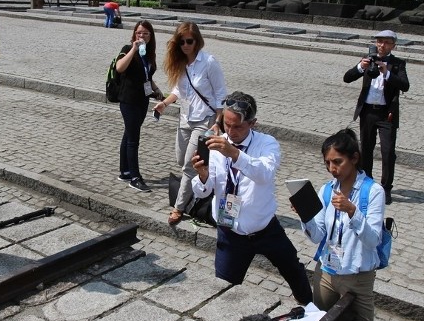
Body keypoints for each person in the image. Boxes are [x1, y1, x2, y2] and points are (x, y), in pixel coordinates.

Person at [191, 92, 313, 305]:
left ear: (252, 123)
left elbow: (264, 173)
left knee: (294, 269)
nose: (230, 131)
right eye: (226, 124)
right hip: (231, 231)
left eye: (237, 126)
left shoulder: (267, 144)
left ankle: (309, 308)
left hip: (265, 227)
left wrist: (235, 154)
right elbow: (203, 191)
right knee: (224, 288)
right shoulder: (215, 145)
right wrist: (202, 176)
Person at [301, 128, 385, 321]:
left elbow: (373, 240)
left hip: (357, 277)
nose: (332, 168)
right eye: (327, 163)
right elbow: (317, 236)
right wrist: (306, 216)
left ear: (354, 158)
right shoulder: (327, 190)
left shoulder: (373, 192)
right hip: (326, 272)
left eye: (337, 162)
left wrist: (352, 212)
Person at [153, 22, 227, 225]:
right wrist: (164, 104)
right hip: (185, 118)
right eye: (181, 41)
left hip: (205, 120)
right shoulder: (181, 63)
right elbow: (178, 91)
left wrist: (218, 123)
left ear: (197, 41)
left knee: (188, 165)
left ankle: (178, 208)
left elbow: (221, 95)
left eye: (189, 41)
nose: (185, 45)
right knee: (181, 159)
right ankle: (202, 187)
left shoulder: (209, 62)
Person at [343, 29, 410, 205]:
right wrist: (360, 67)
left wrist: (387, 72)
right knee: (365, 149)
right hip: (368, 112)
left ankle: (386, 187)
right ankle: (367, 183)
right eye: (379, 41)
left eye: (387, 42)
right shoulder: (368, 58)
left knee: (388, 152)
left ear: (393, 45)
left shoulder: (398, 64)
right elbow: (347, 78)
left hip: (386, 113)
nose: (382, 45)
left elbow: (405, 85)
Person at [115, 20, 162, 192]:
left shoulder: (148, 54)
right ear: (134, 34)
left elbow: (147, 76)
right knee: (134, 139)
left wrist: (157, 90)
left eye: (145, 33)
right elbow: (120, 68)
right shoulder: (127, 49)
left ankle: (125, 171)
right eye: (138, 33)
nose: (141, 36)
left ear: (151, 36)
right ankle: (135, 177)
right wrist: (133, 48)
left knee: (128, 134)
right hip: (129, 100)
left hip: (143, 100)